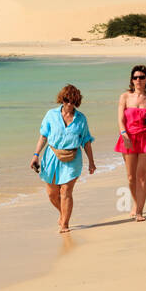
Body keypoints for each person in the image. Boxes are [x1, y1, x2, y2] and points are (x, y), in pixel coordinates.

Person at [30, 84, 97, 233]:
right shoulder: (51, 115)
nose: (69, 104)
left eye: (72, 101)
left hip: (73, 157)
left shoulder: (81, 119)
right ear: (62, 99)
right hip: (52, 156)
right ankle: (63, 213)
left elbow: (86, 141)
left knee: (66, 191)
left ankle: (65, 224)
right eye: (66, 100)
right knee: (52, 193)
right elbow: (43, 136)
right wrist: (36, 155)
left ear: (76, 102)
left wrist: (91, 162)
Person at [115, 64, 146, 221]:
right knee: (131, 177)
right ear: (132, 79)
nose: (138, 80)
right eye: (135, 77)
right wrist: (123, 134)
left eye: (141, 77)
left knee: (141, 175)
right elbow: (120, 119)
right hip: (128, 138)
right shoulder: (125, 97)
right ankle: (136, 203)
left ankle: (139, 212)